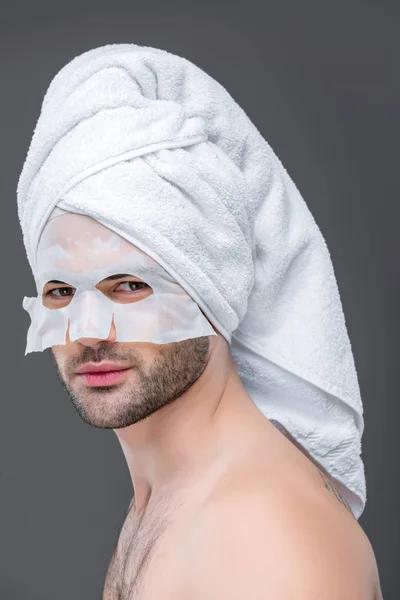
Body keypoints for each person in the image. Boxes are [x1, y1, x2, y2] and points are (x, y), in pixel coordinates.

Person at [17, 44, 383, 599]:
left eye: (131, 287)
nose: (88, 332)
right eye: (62, 291)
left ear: (215, 289)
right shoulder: (171, 500)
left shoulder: (267, 542)